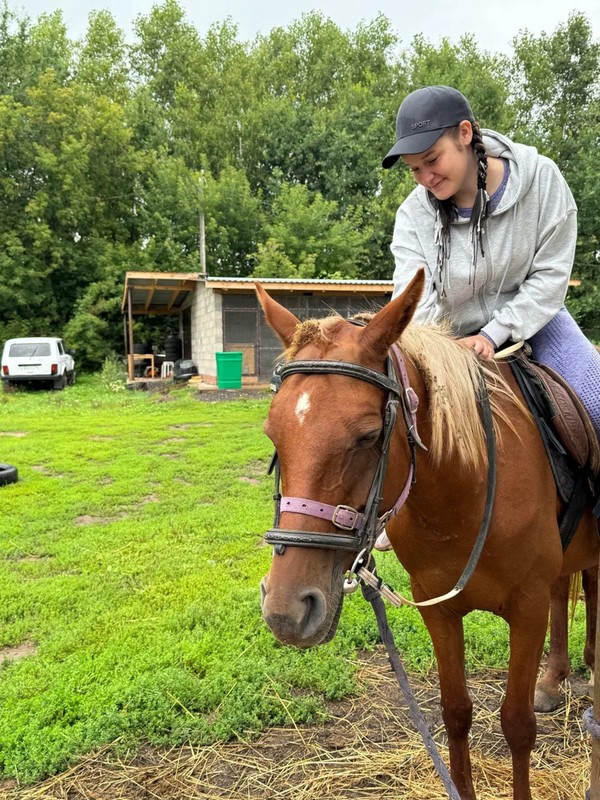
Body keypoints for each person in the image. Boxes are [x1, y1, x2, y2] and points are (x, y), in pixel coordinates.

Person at [375, 85, 600, 549]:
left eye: (432, 160)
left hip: (536, 319)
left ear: (465, 134)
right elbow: (414, 295)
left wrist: (494, 334)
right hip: (445, 335)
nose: (424, 178)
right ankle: (387, 510)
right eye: (414, 169)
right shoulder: (413, 215)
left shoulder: (542, 180)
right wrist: (440, 349)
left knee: (597, 401)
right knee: (386, 410)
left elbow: (550, 277)